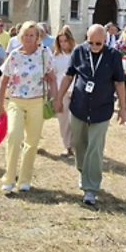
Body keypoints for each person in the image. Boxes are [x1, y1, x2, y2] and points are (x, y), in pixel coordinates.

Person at [56, 25, 126, 205]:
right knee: (78, 144)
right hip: (79, 107)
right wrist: (59, 98)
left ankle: (91, 188)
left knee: (95, 148)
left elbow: (119, 83)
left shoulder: (113, 56)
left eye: (98, 43)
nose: (94, 46)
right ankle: (83, 172)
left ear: (105, 41)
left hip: (102, 109)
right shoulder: (79, 52)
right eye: (91, 43)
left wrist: (123, 108)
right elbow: (68, 76)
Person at [0, 21, 57, 193]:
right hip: (16, 101)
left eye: (32, 35)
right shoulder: (14, 55)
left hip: (36, 102)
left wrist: (55, 99)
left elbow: (52, 79)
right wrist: (0, 103)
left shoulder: (44, 54)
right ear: (20, 37)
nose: (29, 38)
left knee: (31, 142)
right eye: (25, 35)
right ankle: (9, 178)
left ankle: (24, 179)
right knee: (13, 137)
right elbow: (4, 80)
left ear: (38, 37)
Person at [52, 26, 77, 157]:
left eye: (65, 41)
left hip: (76, 91)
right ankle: (67, 146)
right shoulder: (55, 57)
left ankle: (77, 145)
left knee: (75, 121)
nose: (63, 44)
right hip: (61, 92)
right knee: (63, 121)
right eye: (60, 41)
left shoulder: (77, 54)